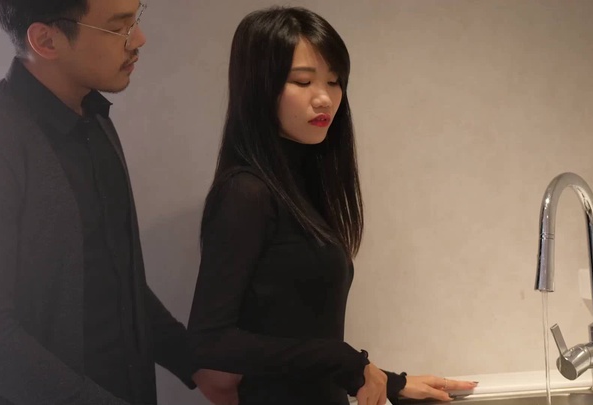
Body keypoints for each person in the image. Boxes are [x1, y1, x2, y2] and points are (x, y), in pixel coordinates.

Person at [188, 6, 478, 405]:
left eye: (334, 81)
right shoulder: (246, 192)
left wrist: (387, 382)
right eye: (303, 81)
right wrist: (346, 362)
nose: (325, 98)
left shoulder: (304, 187)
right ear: (259, 87)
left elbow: (301, 332)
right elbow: (209, 342)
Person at [0, 1, 203, 404]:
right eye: (119, 27)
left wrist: (191, 360)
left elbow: (117, 278)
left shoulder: (94, 117)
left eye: (135, 19)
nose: (139, 39)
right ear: (46, 40)